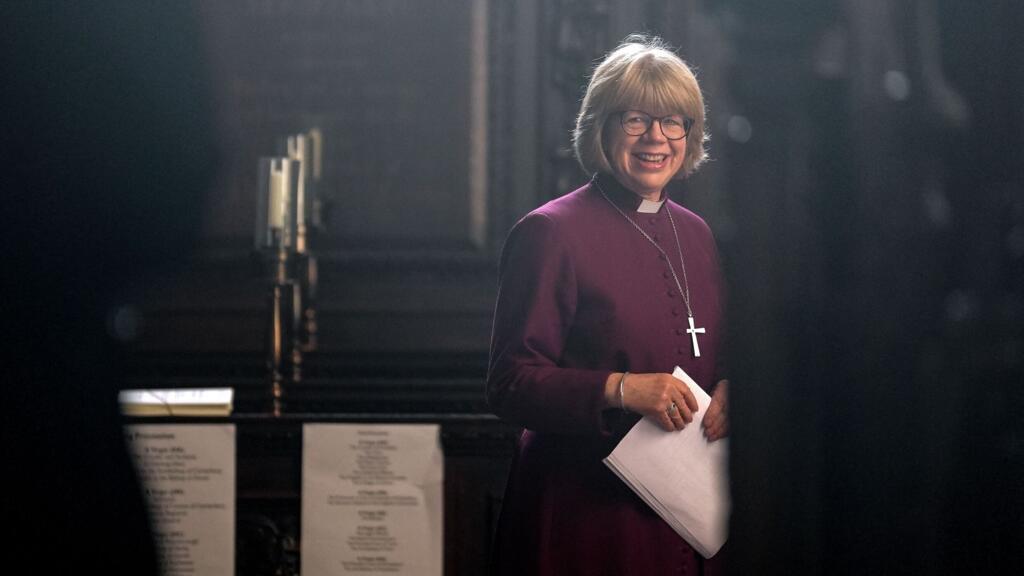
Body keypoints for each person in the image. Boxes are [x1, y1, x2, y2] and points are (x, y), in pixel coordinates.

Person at [486, 35, 729, 575]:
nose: (656, 139)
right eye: (635, 119)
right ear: (601, 126)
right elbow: (508, 383)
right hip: (582, 517)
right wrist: (620, 388)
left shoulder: (699, 236)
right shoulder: (550, 232)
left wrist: (731, 393)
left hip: (686, 515)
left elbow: (722, 356)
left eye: (674, 122)